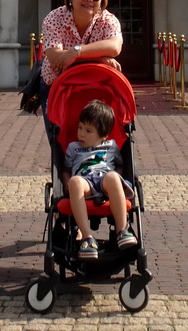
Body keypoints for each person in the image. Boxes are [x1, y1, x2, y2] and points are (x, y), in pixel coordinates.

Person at [38, 0, 123, 127]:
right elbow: (56, 58)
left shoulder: (108, 20)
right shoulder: (54, 18)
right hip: (57, 87)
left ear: (102, 1)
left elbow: (115, 46)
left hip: (96, 89)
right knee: (59, 142)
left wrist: (76, 52)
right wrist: (99, 57)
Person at [63, 99, 137, 258]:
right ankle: (87, 236)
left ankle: (122, 230)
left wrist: (118, 177)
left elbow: (120, 165)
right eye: (80, 128)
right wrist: (66, 182)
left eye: (88, 131)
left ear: (103, 135)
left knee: (113, 176)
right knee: (74, 181)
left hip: (105, 181)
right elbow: (66, 169)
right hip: (85, 183)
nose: (81, 134)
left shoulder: (111, 146)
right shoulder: (73, 148)